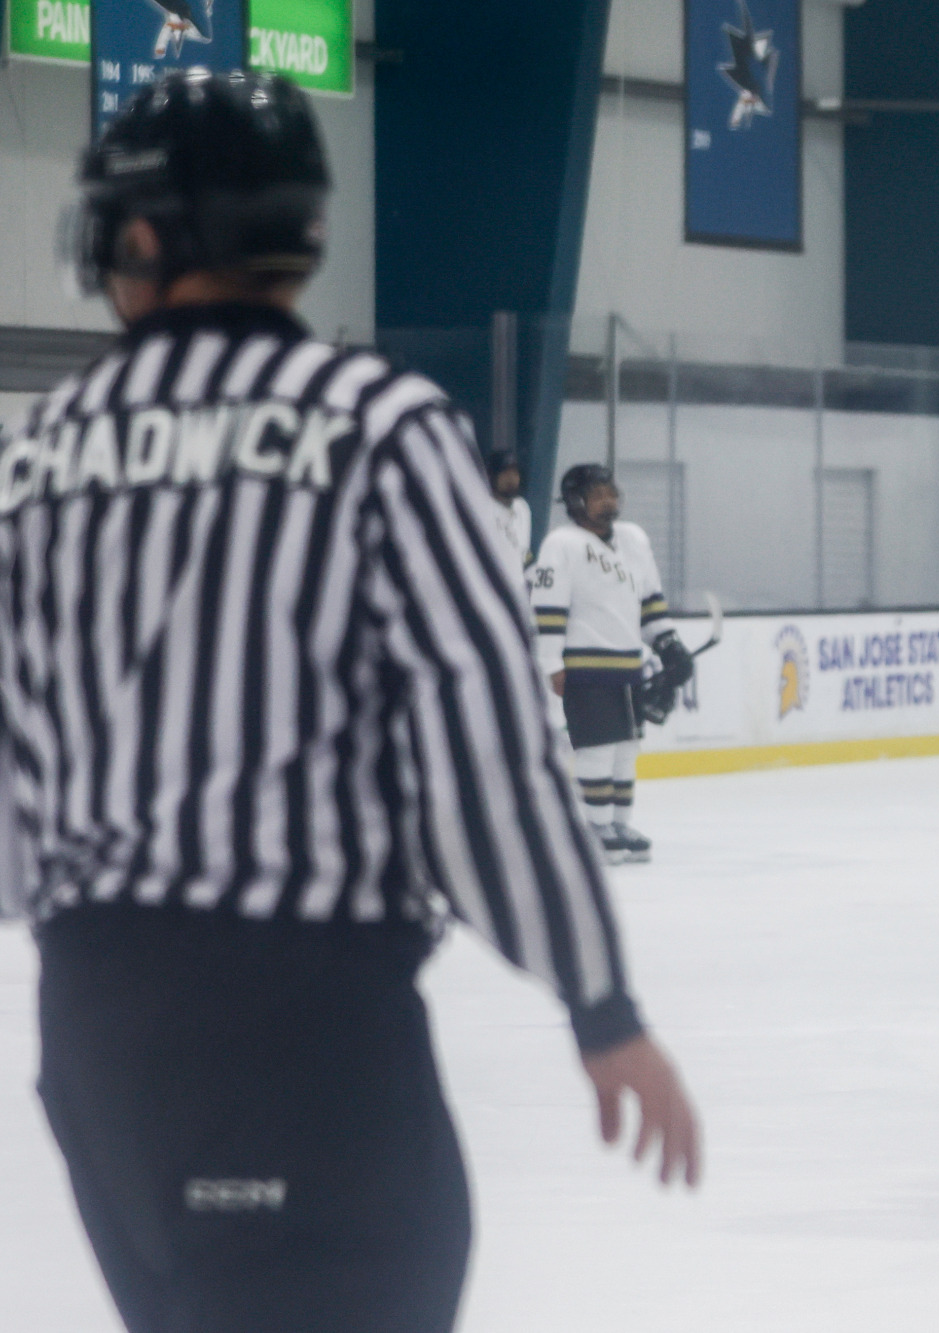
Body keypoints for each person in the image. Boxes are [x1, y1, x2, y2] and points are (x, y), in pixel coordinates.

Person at [5, 71, 699, 1333]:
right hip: (301, 1023)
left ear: (152, 235)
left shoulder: (39, 457)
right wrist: (599, 1001)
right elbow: (481, 750)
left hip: (100, 1032)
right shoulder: (377, 425)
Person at [532, 464, 674, 863]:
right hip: (585, 665)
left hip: (629, 665)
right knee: (596, 748)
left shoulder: (633, 540)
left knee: (626, 748)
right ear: (576, 501)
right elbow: (548, 608)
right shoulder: (561, 544)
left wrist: (669, 644)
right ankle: (595, 828)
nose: (608, 501)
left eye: (611, 493)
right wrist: (550, 663)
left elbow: (650, 601)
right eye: (598, 495)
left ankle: (619, 823)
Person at [489, 448, 535, 569]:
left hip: (518, 578)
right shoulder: (482, 506)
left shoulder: (522, 507)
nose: (511, 478)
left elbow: (525, 552)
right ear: (492, 476)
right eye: (505, 473)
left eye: (515, 473)